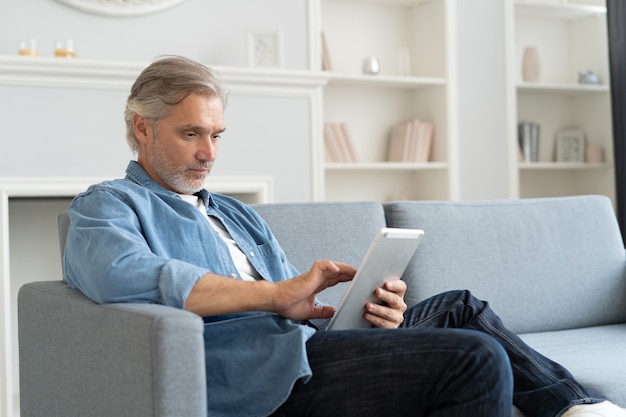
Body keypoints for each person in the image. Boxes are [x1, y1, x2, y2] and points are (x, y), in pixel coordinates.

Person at [64, 56, 626, 417]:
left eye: (216, 135)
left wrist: (349, 313)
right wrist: (276, 297)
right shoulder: (109, 205)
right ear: (143, 127)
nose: (210, 153)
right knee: (474, 358)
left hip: (307, 344)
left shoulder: (235, 214)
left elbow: (289, 302)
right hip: (267, 376)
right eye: (192, 134)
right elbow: (129, 277)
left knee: (458, 307)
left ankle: (578, 407)